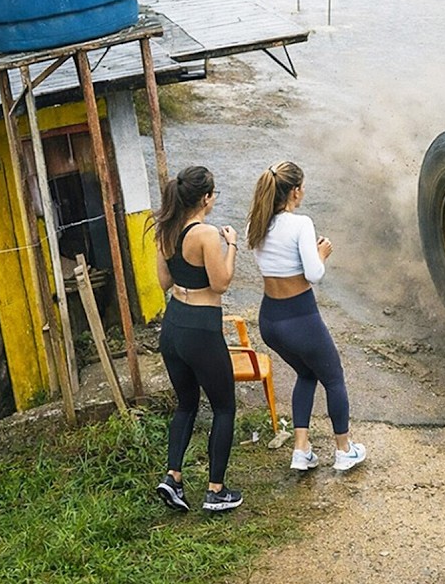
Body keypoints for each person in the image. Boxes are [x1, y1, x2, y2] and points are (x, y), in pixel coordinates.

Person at [247, 161, 366, 473]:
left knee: (307, 373)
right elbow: (314, 274)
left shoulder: (256, 225)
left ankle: (301, 450)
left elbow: (277, 261)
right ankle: (344, 450)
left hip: (270, 321)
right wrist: (322, 253)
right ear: (295, 192)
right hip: (300, 317)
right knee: (334, 378)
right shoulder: (301, 225)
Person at [151, 166, 244, 513]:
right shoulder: (205, 234)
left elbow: (163, 282)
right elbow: (220, 283)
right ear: (205, 198)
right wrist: (232, 245)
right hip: (201, 329)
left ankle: (173, 477)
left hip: (173, 326)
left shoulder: (165, 230)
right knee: (224, 407)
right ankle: (216, 490)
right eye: (214, 194)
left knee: (186, 404)